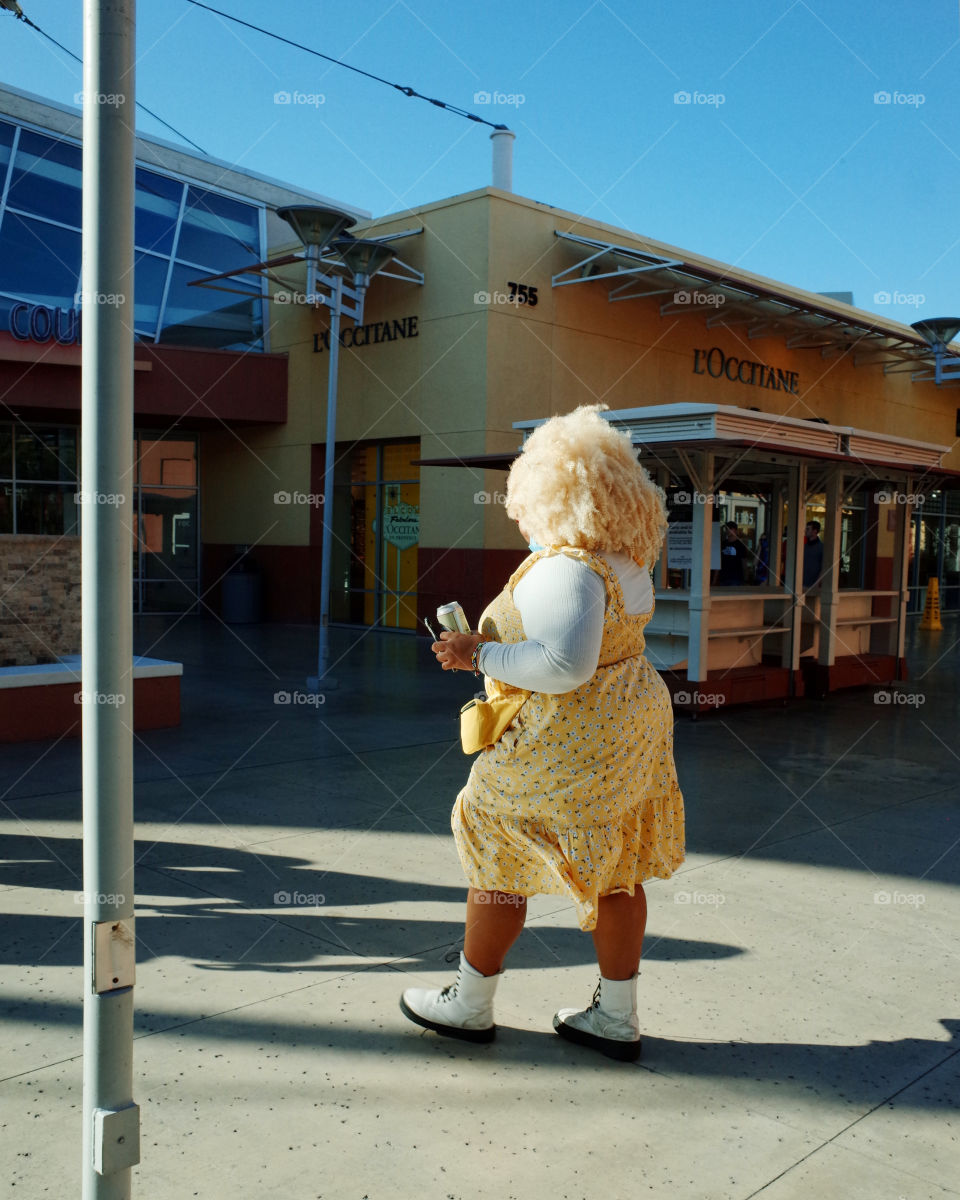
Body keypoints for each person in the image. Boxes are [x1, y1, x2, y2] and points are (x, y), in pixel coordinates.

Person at [400, 405, 685, 1061]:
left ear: (551, 491)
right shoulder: (625, 563)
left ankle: (469, 1004)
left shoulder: (566, 567)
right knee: (617, 867)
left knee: (497, 841)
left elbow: (564, 664)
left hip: (570, 735)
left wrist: (479, 656)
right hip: (627, 726)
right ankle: (616, 1016)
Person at [718, 520, 746, 585]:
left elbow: (744, 561)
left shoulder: (740, 545)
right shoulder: (723, 543)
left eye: (730, 529)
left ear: (735, 530)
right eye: (726, 529)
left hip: (736, 578)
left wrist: (745, 577)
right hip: (724, 577)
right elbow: (720, 559)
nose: (728, 531)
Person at [803, 520, 823, 590]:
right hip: (800, 584)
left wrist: (817, 584)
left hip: (814, 586)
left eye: (808, 529)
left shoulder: (822, 548)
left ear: (815, 531)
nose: (805, 531)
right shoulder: (803, 547)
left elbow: (824, 568)